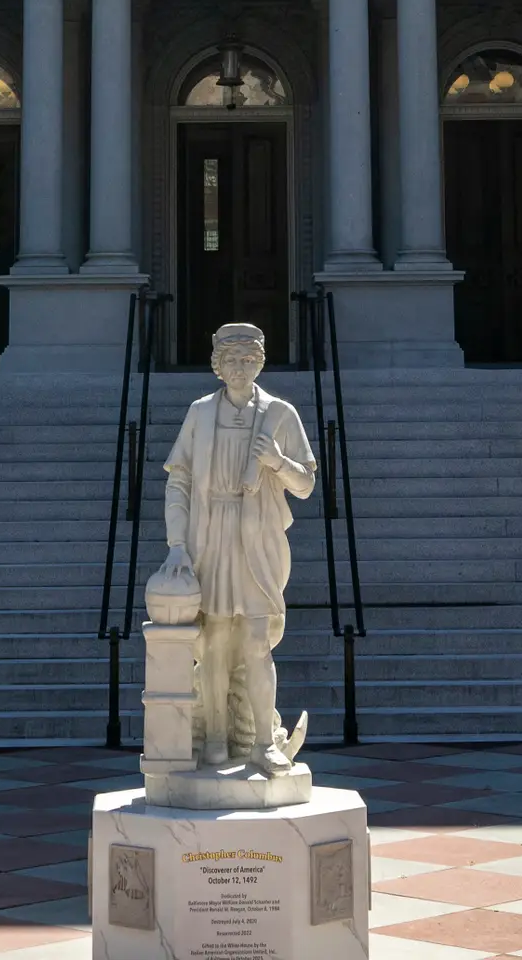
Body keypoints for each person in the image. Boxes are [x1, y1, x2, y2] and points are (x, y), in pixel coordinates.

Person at [158, 320, 319, 773]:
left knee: (255, 643)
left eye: (248, 359)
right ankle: (212, 738)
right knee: (213, 642)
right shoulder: (199, 413)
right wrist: (176, 544)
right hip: (209, 537)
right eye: (230, 359)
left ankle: (263, 741)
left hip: (257, 540)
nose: (239, 367)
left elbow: (306, 485)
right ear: (217, 365)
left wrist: (277, 462)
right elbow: (180, 481)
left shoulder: (280, 414)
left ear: (260, 362)